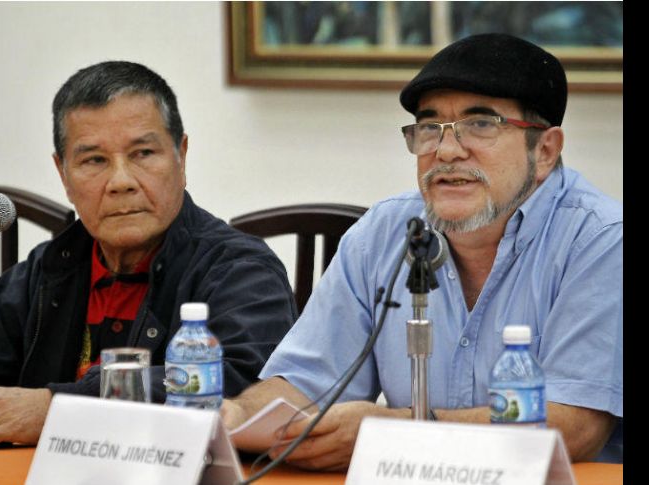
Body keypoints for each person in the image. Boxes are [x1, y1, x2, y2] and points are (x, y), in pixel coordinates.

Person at [221, 33, 623, 470]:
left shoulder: (601, 241)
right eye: (430, 128)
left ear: (545, 150)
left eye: (481, 124)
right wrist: (237, 415)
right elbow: (305, 382)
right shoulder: (383, 233)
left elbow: (575, 426)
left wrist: (395, 434)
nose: (447, 150)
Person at [0, 61, 298, 448]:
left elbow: (243, 386)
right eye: (94, 160)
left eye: (143, 153)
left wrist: (58, 409)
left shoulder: (241, 270)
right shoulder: (49, 270)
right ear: (62, 174)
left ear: (181, 157)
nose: (121, 182)